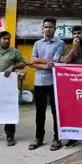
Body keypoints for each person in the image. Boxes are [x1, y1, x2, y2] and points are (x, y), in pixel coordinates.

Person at [28, 18, 65, 151]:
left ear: (55, 29)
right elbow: (32, 62)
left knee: (56, 112)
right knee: (40, 112)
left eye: (50, 27)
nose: (47, 29)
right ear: (42, 28)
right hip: (39, 82)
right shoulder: (37, 44)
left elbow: (55, 62)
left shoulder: (60, 43)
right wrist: (44, 65)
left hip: (54, 82)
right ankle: (38, 138)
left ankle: (57, 138)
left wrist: (37, 61)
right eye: (45, 27)